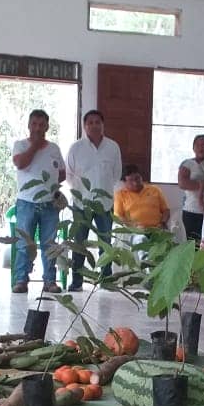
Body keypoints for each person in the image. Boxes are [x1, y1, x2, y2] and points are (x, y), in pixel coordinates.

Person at [65, 110, 122, 291]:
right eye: (90, 122)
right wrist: (80, 194)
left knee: (105, 242)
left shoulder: (113, 147)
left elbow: (116, 174)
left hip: (104, 204)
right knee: (79, 243)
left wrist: (103, 191)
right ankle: (77, 281)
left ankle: (105, 280)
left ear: (103, 125)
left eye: (98, 122)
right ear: (84, 126)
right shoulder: (76, 148)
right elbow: (69, 175)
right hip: (81, 203)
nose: (94, 125)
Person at [12, 109, 65, 294]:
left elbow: (62, 174)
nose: (37, 128)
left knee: (50, 245)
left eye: (41, 125)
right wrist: (34, 145)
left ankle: (50, 281)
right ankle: (21, 280)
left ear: (47, 127)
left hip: (50, 203)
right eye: (34, 124)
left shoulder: (54, 149)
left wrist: (51, 188)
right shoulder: (20, 145)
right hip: (26, 203)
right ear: (28, 125)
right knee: (24, 243)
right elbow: (21, 164)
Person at [113, 165, 169, 230]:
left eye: (137, 178)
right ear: (124, 182)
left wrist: (163, 223)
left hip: (156, 229)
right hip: (135, 232)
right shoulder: (120, 195)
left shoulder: (155, 190)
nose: (135, 183)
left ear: (141, 177)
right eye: (131, 180)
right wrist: (133, 227)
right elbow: (118, 216)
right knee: (140, 239)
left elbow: (166, 211)